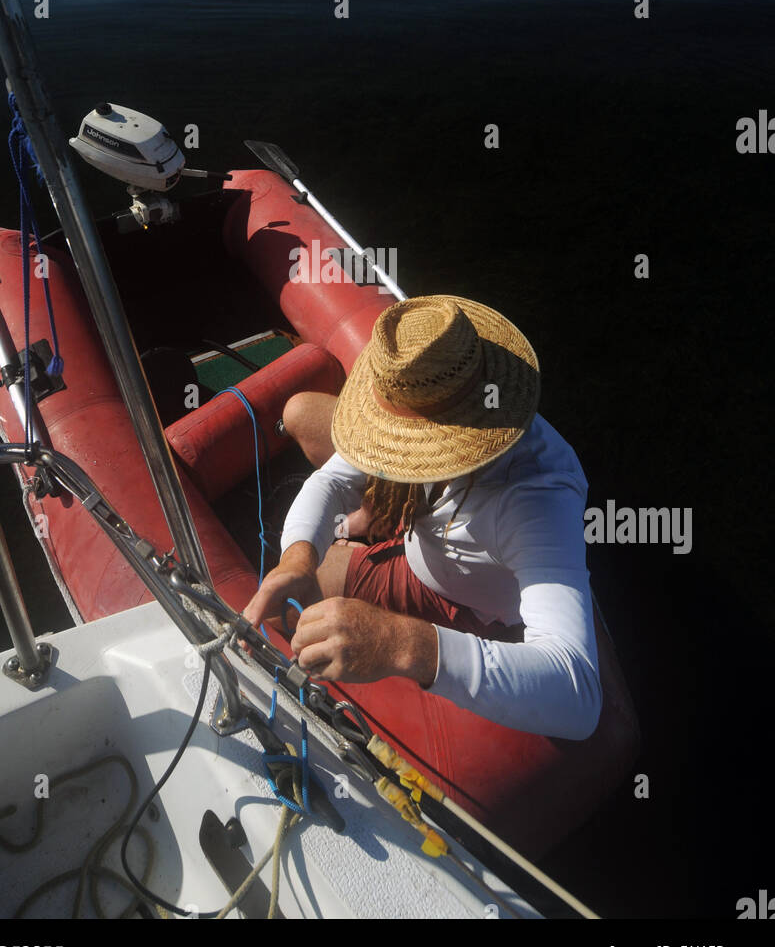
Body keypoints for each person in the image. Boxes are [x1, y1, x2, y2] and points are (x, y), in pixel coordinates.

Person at [244, 295, 603, 742]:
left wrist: (402, 643)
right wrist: (298, 557)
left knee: (287, 613)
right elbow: (333, 480)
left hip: (445, 589)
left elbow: (579, 696)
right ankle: (369, 521)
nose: (392, 450)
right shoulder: (450, 388)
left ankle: (363, 527)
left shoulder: (537, 502)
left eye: (410, 444)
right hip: (422, 521)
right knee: (302, 412)